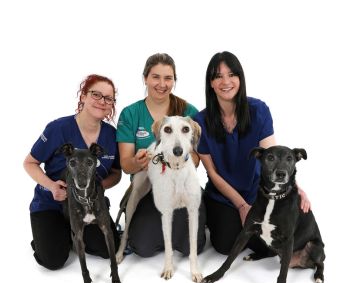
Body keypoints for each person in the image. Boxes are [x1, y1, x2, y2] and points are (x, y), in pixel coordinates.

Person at [194, 51, 311, 255]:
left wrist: (294, 187)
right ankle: (212, 216)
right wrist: (240, 206)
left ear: (240, 78)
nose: (226, 81)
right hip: (224, 195)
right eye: (218, 76)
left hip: (258, 191)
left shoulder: (259, 110)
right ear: (211, 83)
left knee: (275, 243)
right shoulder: (200, 121)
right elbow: (212, 173)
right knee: (225, 246)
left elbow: (273, 156)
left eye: (232, 75)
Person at [24, 74, 122, 270]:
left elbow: (116, 173)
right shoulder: (58, 128)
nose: (102, 102)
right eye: (96, 94)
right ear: (83, 96)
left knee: (109, 248)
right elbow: (30, 163)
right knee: (52, 260)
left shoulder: (111, 135)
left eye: (108, 98)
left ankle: (74, 231)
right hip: (53, 202)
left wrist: (99, 187)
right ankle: (53, 233)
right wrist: (52, 186)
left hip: (88, 205)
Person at [116, 53, 206, 257]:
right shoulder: (131, 113)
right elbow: (126, 165)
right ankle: (129, 233)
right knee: (143, 246)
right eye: (156, 77)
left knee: (194, 246)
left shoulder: (187, 111)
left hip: (183, 181)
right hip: (151, 183)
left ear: (174, 80)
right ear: (145, 78)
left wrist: (178, 160)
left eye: (168, 78)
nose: (162, 84)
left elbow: (197, 159)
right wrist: (139, 162)